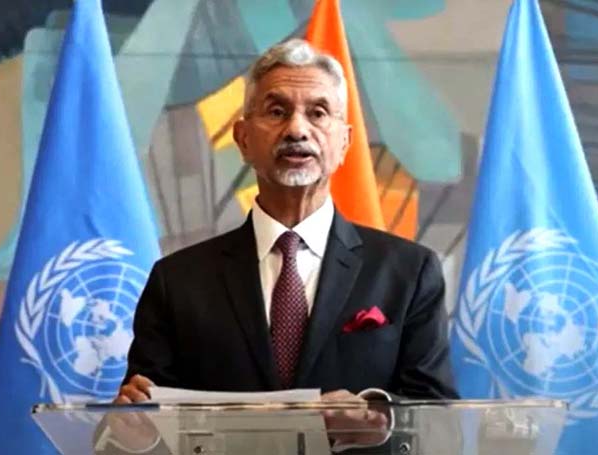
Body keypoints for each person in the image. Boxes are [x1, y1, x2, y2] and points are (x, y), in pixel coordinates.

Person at [116, 39, 457, 445]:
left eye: (318, 113)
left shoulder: (408, 272)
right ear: (243, 138)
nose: (297, 129)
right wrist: (130, 430)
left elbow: (440, 427)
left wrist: (378, 422)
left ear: (344, 142)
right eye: (277, 111)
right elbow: (141, 425)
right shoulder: (177, 280)